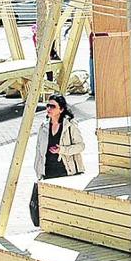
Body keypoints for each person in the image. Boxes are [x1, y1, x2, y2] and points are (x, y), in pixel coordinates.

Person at [29, 94, 85, 227]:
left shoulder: (70, 126)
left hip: (66, 171)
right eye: (48, 106)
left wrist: (62, 150)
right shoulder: (43, 127)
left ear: (61, 109)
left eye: (52, 106)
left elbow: (81, 146)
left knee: (66, 205)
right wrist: (38, 170)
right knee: (50, 204)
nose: (49, 109)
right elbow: (39, 151)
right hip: (48, 171)